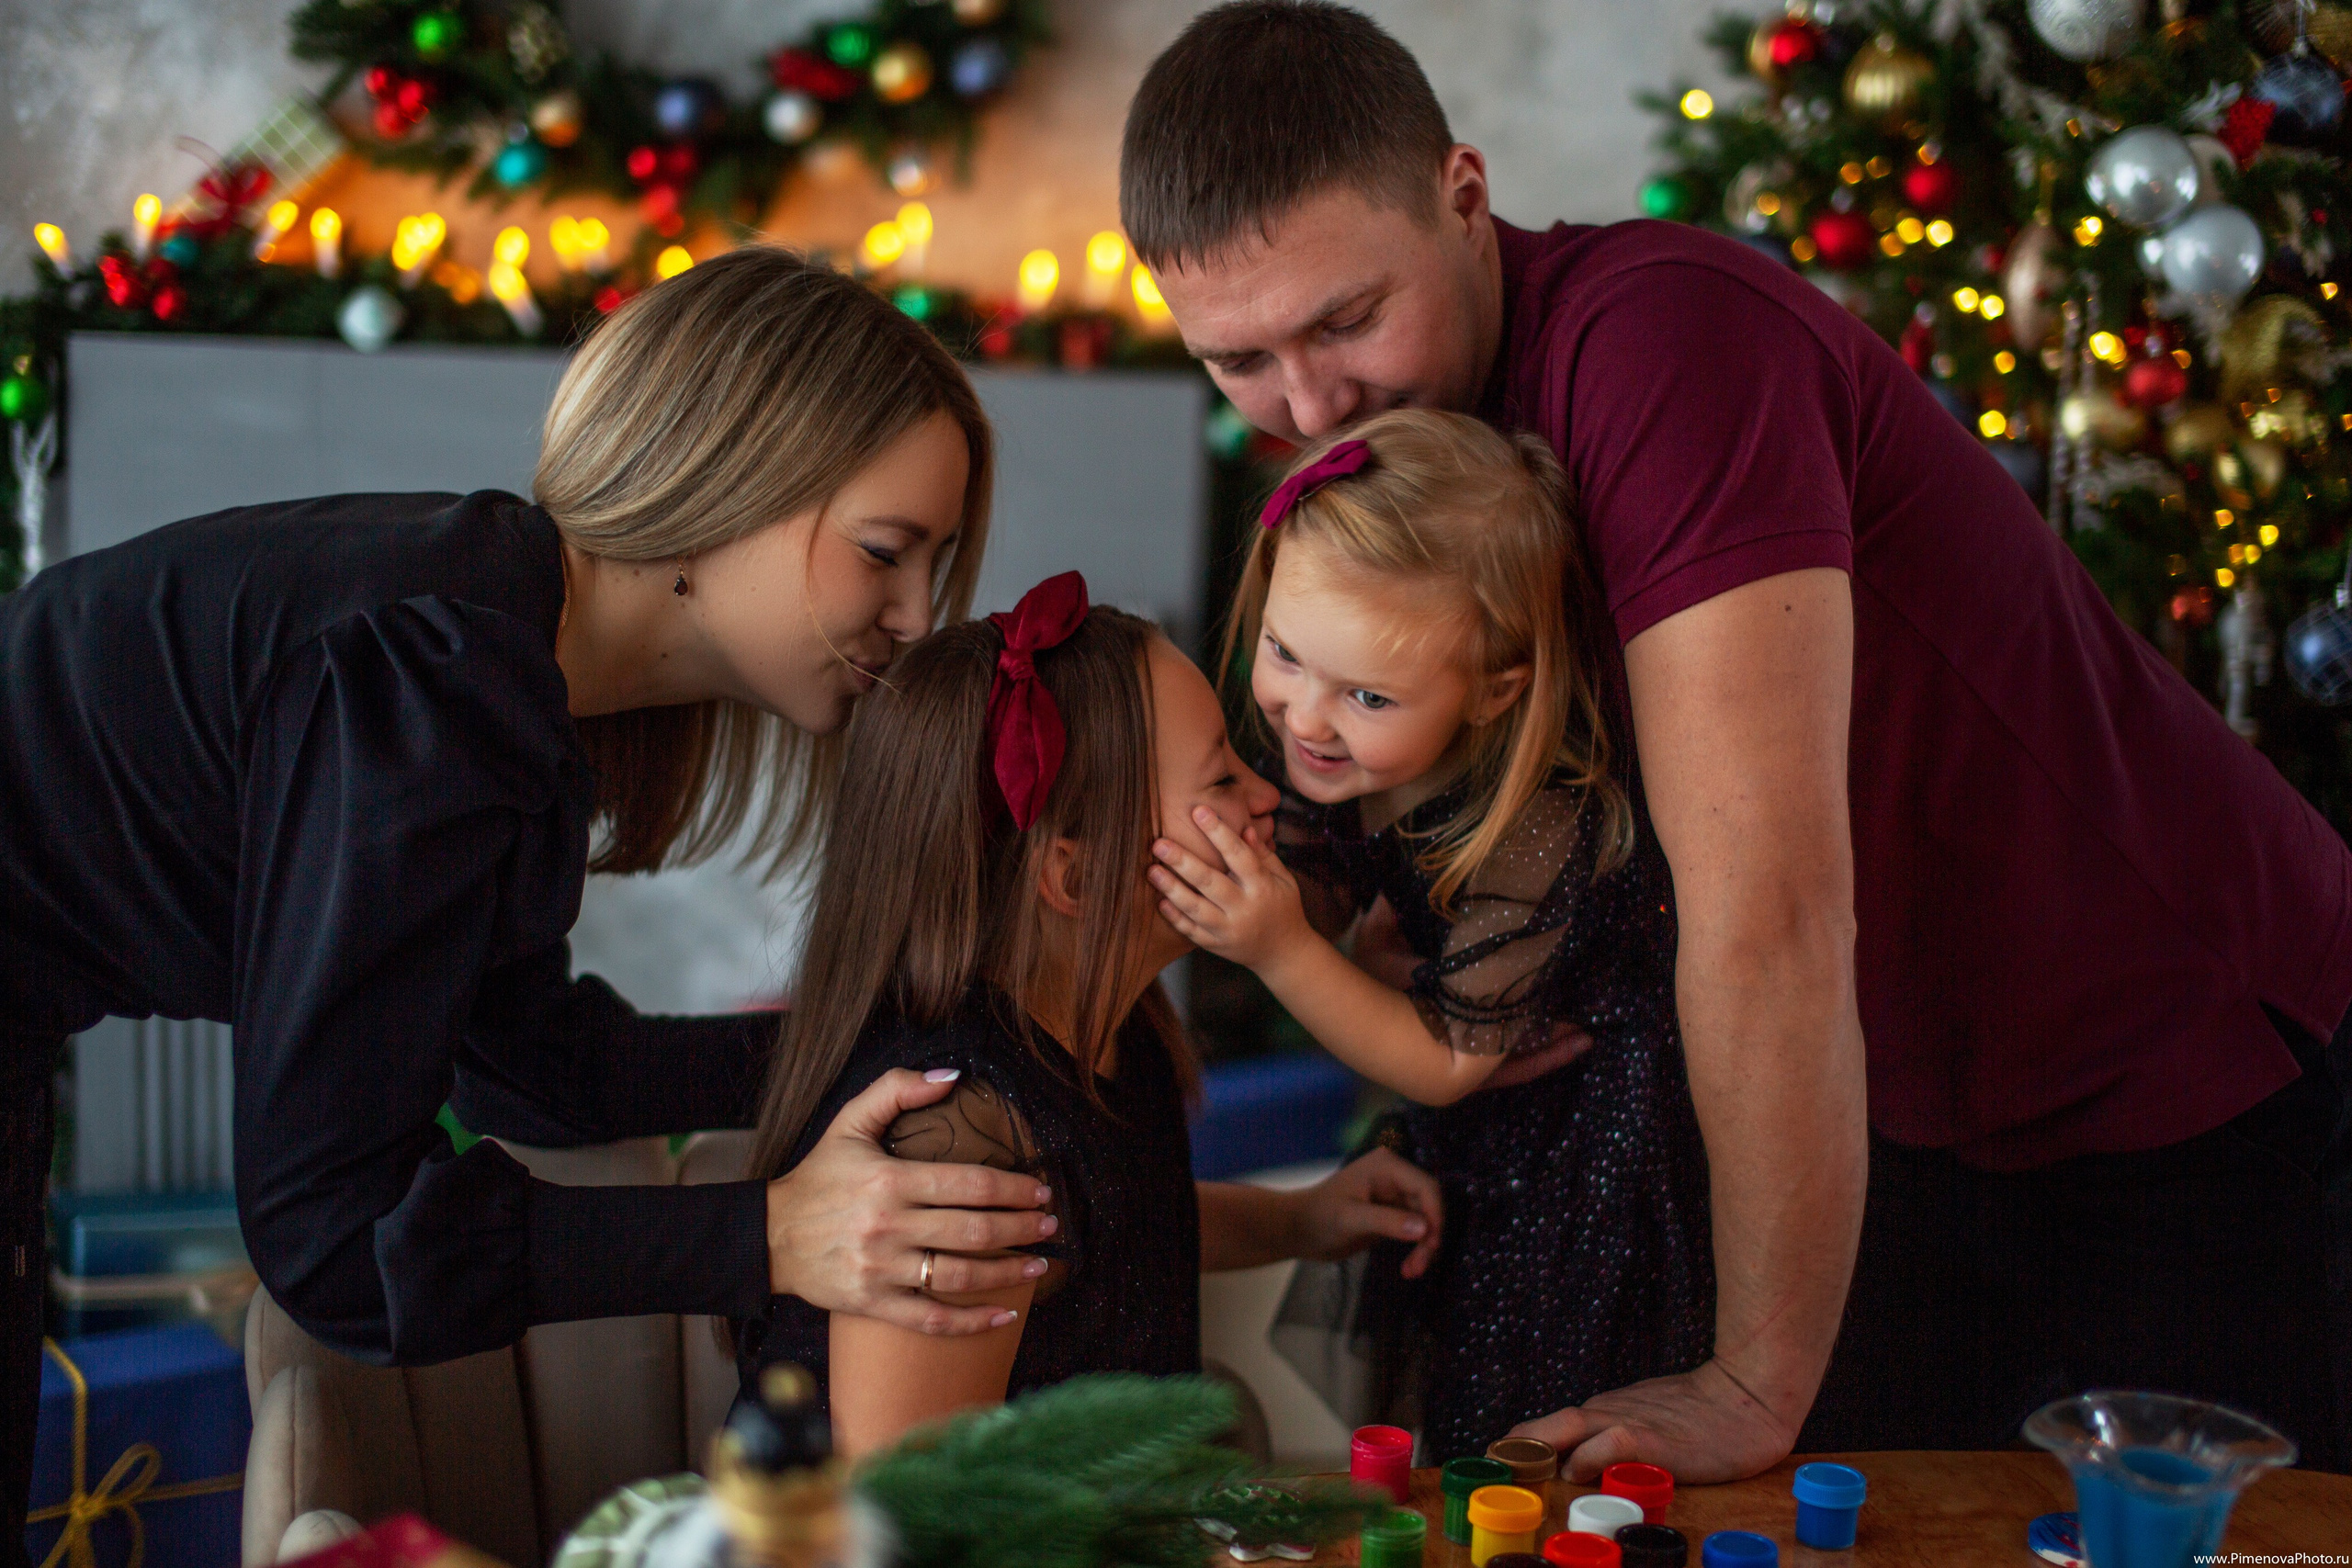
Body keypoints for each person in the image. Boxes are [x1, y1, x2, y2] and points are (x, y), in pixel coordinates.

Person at [1121, 1, 2352, 1479]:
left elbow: (1769, 909)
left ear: (1462, 194)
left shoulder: (1665, 344)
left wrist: (1755, 1378)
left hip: (2170, 1038)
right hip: (1889, 1100)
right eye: (1238, 361)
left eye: (1344, 319)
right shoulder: (1395, 453)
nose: (1310, 408)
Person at [0, 248, 1061, 1565]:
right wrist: (770, 1233)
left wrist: (877, 1038)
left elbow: (532, 1067)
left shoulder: (505, 650)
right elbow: (334, 1243)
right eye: (885, 553)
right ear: (729, 477)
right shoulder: (435, 677)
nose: (915, 616)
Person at [730, 576, 1444, 1455]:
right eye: (1222, 776)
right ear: (1072, 878)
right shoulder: (958, 1139)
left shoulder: (1112, 1029)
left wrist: (1303, 1221)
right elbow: (910, 1513)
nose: (1266, 797)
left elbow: (1125, 1225)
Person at [1150, 410, 1711, 1460]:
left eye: (1365, 693)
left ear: (1495, 691)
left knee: (1538, 1419)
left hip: (1585, 1163)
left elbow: (1448, 1060)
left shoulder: (1536, 817)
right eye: (1283, 654)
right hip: (1475, 1143)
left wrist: (1278, 949)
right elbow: (1311, 908)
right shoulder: (1337, 756)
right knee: (1447, 1399)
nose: (1305, 719)